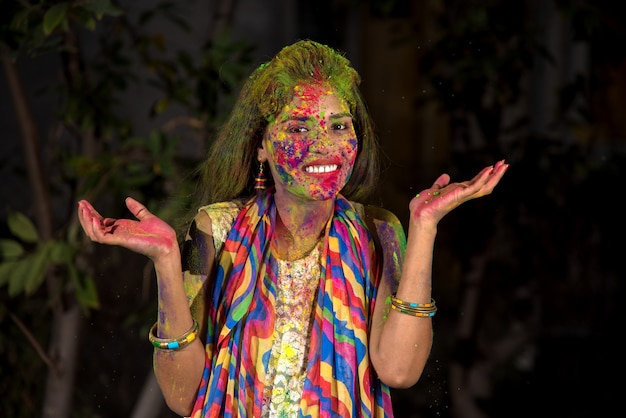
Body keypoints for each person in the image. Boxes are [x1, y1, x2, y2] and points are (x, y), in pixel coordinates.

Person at [77, 39, 508, 417]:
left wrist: (425, 226)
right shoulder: (217, 229)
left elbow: (399, 370)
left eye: (339, 126)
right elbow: (183, 396)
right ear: (262, 145)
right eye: (299, 126)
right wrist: (167, 261)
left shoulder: (381, 232)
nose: (325, 144)